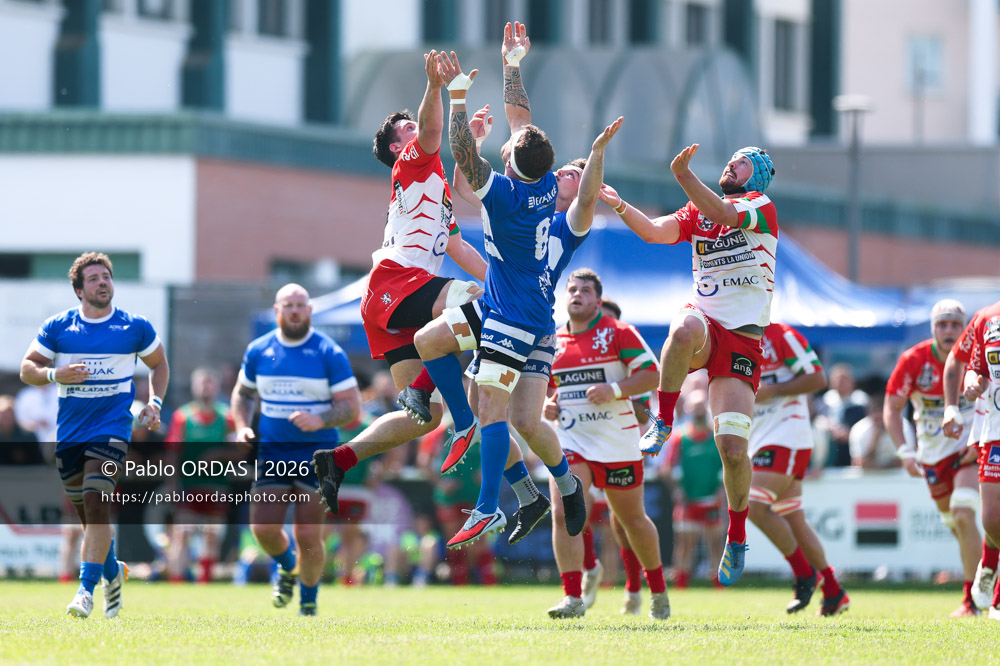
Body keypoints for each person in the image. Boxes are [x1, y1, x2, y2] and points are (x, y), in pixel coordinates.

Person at [311, 47, 488, 514]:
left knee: (423, 419)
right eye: (406, 129)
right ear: (397, 146)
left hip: (396, 298)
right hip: (396, 283)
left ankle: (338, 459)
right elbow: (432, 131)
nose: (416, 130)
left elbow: (458, 247)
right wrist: (436, 86)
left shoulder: (433, 181)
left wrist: (506, 282)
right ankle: (461, 418)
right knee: (477, 306)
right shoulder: (410, 160)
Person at [602, 142, 778, 586]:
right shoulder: (697, 207)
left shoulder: (759, 204)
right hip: (704, 319)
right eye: (729, 161)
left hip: (741, 341)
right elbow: (654, 232)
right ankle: (662, 420)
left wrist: (683, 174)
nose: (729, 166)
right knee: (680, 331)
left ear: (754, 175)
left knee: (734, 452)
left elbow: (722, 213)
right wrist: (620, 203)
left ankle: (736, 535)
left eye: (738, 163)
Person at [19, 251, 169, 619]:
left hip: (112, 428)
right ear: (79, 290)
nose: (103, 282)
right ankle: (113, 571)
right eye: (94, 278)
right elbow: (27, 369)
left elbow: (159, 364)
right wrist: (56, 375)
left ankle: (85, 592)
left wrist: (156, 403)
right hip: (70, 433)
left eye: (107, 276)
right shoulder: (59, 327)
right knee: (89, 519)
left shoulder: (135, 326)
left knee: (98, 501)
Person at [542, 268, 668, 619]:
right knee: (565, 511)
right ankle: (572, 596)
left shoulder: (619, 333)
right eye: (572, 289)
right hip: (571, 440)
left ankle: (655, 589)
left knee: (631, 521)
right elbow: (546, 388)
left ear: (598, 300)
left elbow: (652, 374)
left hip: (617, 444)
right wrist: (546, 405)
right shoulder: (551, 340)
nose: (577, 294)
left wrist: (613, 390)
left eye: (585, 290)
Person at [232, 283, 361, 616]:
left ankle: (308, 601)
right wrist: (242, 426)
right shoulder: (259, 350)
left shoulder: (328, 352)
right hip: (273, 452)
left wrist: (320, 419)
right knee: (263, 529)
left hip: (317, 453)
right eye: (287, 305)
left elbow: (351, 406)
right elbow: (243, 395)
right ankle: (288, 567)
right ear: (277, 310)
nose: (293, 311)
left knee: (307, 532)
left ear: (310, 311)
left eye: (300, 305)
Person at [885, 299, 982, 616]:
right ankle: (988, 578)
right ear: (933, 328)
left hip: (968, 450)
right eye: (942, 324)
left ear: (965, 328)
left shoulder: (978, 358)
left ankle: (972, 600)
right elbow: (892, 408)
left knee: (964, 514)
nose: (949, 331)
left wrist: (981, 440)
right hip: (931, 457)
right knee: (956, 525)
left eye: (956, 324)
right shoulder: (913, 360)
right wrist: (904, 452)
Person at [748, 321, 849, 616]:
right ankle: (833, 591)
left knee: (754, 506)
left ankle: (804, 573)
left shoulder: (780, 335)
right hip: (758, 438)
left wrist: (773, 390)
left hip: (786, 435)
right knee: (794, 520)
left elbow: (818, 378)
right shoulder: (730, 337)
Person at [943, 298, 1000, 619]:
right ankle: (989, 561)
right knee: (991, 518)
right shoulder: (987, 317)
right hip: (995, 429)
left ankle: (997, 596)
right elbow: (966, 364)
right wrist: (970, 385)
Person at [163, 367, 237, 584]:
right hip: (189, 486)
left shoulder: (228, 417)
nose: (206, 387)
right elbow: (172, 454)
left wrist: (219, 455)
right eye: (202, 383)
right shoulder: (182, 417)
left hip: (217, 486)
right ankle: (177, 580)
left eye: (210, 383)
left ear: (217, 387)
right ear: (194, 387)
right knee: (182, 533)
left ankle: (205, 581)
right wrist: (171, 485)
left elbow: (240, 453)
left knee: (211, 535)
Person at [664, 389, 724, 591]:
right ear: (688, 408)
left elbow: (726, 466)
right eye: (695, 406)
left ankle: (718, 585)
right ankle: (681, 586)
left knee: (714, 544)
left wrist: (722, 490)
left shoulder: (715, 436)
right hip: (688, 500)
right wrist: (676, 489)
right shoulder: (680, 437)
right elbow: (667, 468)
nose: (698, 410)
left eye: (701, 406)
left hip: (710, 498)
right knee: (684, 545)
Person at [817, 364, 869, 467]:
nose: (841, 383)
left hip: (853, 447)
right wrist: (830, 427)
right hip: (830, 448)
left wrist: (850, 433)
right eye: (837, 379)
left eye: (845, 379)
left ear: (853, 382)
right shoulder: (823, 402)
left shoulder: (862, 401)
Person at [849, 393, 907, 470]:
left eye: (881, 413)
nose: (878, 420)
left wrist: (873, 465)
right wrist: (874, 441)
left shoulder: (904, 428)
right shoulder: (858, 430)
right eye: (874, 413)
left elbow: (905, 462)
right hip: (868, 479)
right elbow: (859, 464)